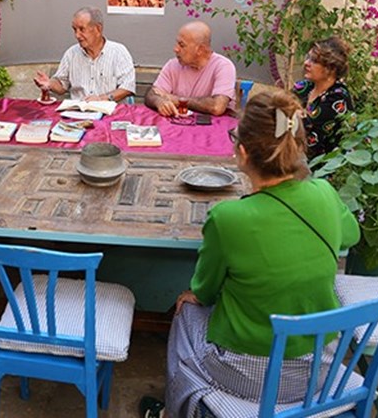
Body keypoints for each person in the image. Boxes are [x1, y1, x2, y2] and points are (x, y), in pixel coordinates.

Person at [140, 90, 359, 418]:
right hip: (318, 370)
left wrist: (192, 295)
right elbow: (352, 235)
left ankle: (176, 410)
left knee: (185, 310)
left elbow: (205, 290)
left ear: (242, 153)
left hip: (246, 377)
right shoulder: (324, 193)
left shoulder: (229, 218)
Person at [33, 6, 135, 102]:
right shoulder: (71, 54)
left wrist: (101, 99)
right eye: (74, 30)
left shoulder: (118, 52)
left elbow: (127, 87)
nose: (77, 35)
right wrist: (50, 84)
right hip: (78, 114)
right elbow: (61, 85)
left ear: (98, 29)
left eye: (82, 29)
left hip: (110, 114)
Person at [146, 21, 237, 117]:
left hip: (213, 127)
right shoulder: (173, 65)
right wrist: (159, 101)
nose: (175, 49)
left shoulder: (223, 66)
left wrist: (179, 101)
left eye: (182, 45)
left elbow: (217, 107)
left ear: (200, 50)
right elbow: (152, 94)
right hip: (178, 126)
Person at [291, 36, 354, 159]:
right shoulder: (305, 87)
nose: (306, 63)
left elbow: (303, 126)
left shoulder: (337, 98)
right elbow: (279, 106)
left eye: (314, 61)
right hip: (298, 156)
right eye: (307, 58)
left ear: (331, 68)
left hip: (326, 167)